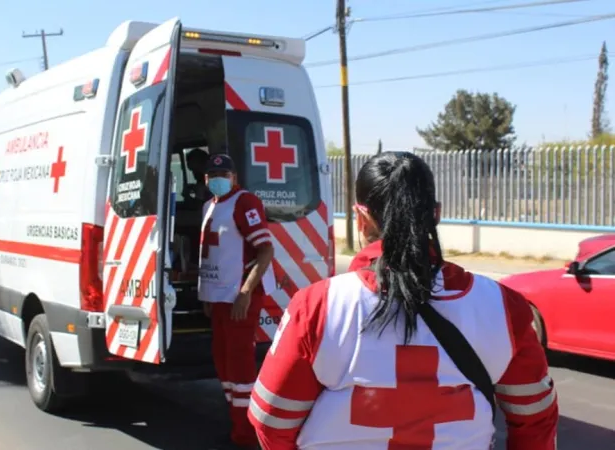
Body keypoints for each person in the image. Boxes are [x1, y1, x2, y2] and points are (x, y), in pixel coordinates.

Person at [248, 151, 558, 450]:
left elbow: (271, 422)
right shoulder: (503, 307)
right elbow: (536, 421)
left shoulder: (317, 307)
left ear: (361, 218)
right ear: (435, 214)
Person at [198, 153, 275, 449]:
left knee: (241, 369)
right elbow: (213, 255)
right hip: (217, 298)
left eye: (224, 174)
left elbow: (265, 251)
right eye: (212, 175)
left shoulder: (245, 202)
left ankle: (248, 435)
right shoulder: (210, 206)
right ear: (205, 180)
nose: (217, 179)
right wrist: (206, 294)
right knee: (224, 363)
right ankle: (236, 423)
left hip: (239, 298)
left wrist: (245, 293)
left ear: (234, 178)